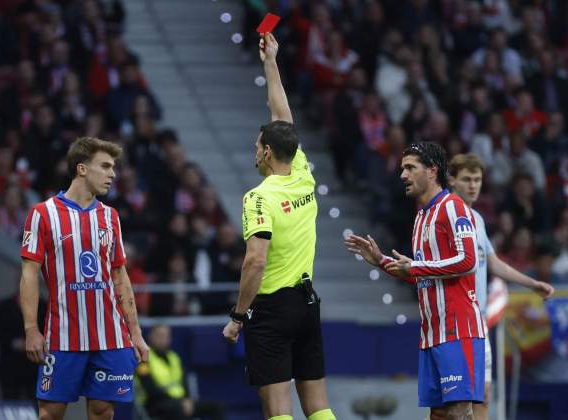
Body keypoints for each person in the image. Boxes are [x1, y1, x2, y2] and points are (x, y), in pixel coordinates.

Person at [221, 33, 336, 420]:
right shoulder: (303, 173)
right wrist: (271, 62)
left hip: (271, 309)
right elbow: (282, 117)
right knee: (319, 408)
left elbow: (255, 262)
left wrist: (238, 317)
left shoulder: (259, 197)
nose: (255, 152)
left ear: (268, 153)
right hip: (307, 302)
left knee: (278, 411)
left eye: (257, 147)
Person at [345, 142, 485, 419]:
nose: (403, 175)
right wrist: (382, 261)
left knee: (460, 412)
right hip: (432, 332)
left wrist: (417, 265)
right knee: (439, 415)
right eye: (402, 169)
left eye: (410, 168)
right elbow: (420, 275)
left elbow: (468, 261)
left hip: (458, 328)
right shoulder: (421, 218)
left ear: (432, 171)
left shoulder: (453, 206)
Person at [20, 136, 150, 420]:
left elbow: (120, 276)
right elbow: (29, 274)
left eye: (113, 167)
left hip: (111, 337)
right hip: (63, 337)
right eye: (105, 166)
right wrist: (31, 329)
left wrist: (136, 333)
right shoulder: (43, 214)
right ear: (81, 169)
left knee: (103, 412)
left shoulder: (110, 217)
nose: (112, 174)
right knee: (50, 414)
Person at [448, 153, 554, 420]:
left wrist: (532, 283)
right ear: (452, 181)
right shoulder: (444, 220)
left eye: (478, 180)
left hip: (479, 325)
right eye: (467, 179)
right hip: (456, 325)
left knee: (482, 397)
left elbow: (493, 264)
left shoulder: (478, 219)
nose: (473, 185)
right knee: (454, 405)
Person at [135, 324, 225, 420]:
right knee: (178, 409)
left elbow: (184, 383)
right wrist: (180, 403)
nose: (163, 340)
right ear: (151, 337)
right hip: (155, 403)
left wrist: (187, 400)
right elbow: (150, 389)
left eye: (166, 336)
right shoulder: (144, 360)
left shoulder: (174, 357)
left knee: (217, 407)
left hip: (180, 401)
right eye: (160, 336)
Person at [0, 283, 46, 401]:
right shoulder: (4, 306)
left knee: (35, 407)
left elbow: (49, 333)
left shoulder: (43, 307)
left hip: (34, 370)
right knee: (10, 407)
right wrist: (15, 343)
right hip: (10, 369)